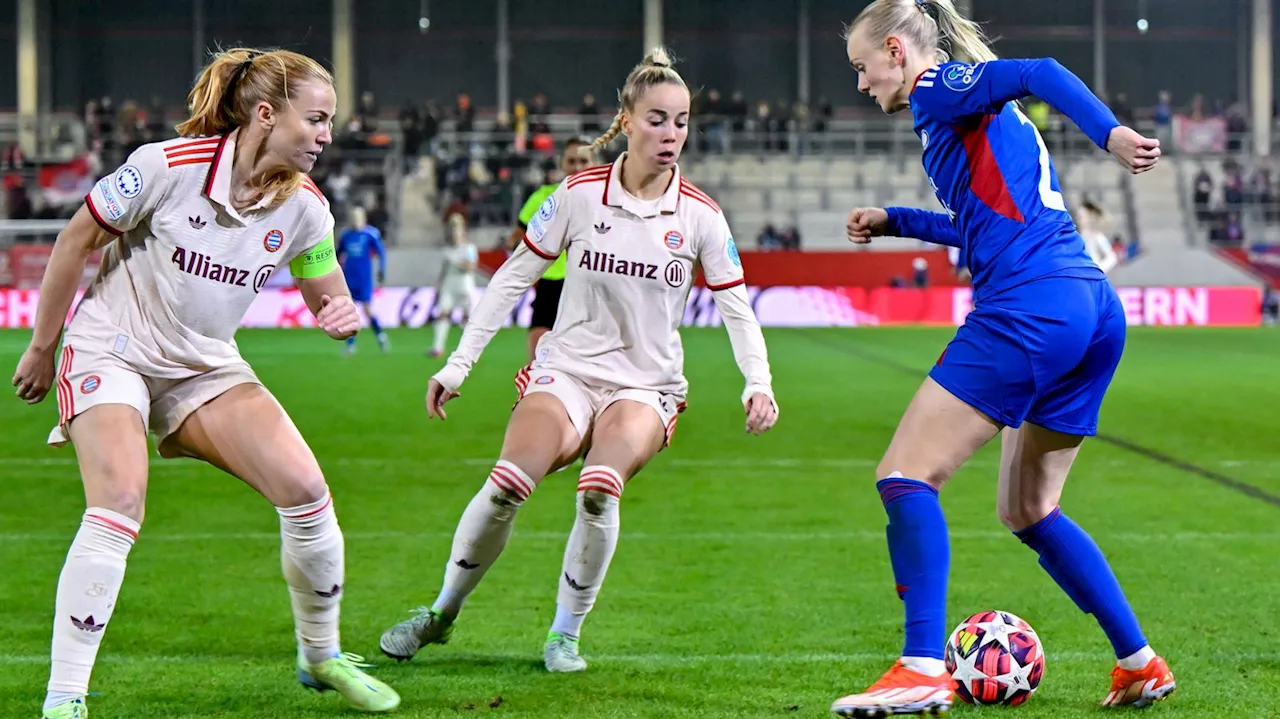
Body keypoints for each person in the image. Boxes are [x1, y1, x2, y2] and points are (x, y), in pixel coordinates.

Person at [10, 47, 400, 718]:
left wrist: (337, 311)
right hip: (114, 349)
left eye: (330, 122)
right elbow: (75, 241)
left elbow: (322, 286)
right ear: (266, 114)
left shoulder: (306, 207)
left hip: (204, 365)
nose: (328, 135)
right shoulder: (165, 167)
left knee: (306, 491)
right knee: (120, 501)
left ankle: (321, 654)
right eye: (317, 119)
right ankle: (65, 696)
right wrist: (44, 348)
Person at [379, 47, 779, 674]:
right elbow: (511, 280)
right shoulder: (577, 195)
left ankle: (563, 635)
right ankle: (441, 613)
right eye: (656, 119)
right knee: (509, 482)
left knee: (599, 490)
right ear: (625, 119)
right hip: (566, 371)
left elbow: (736, 307)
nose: (670, 134)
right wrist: (458, 364)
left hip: (646, 388)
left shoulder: (701, 215)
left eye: (680, 121)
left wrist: (759, 382)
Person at [832, 1, 1173, 715]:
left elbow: (1041, 71)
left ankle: (923, 663)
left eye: (862, 68)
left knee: (904, 473)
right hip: (1091, 308)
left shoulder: (937, 87)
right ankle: (1138, 661)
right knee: (1028, 507)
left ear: (896, 51)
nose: (862, 85)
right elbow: (983, 222)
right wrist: (896, 220)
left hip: (1031, 307)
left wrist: (1110, 135)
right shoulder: (964, 114)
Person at [508, 137, 598, 360]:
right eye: (571, 161)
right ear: (561, 164)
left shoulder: (607, 200)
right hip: (552, 280)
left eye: (583, 161)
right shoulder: (543, 198)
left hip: (592, 281)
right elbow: (517, 237)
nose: (577, 167)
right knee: (539, 349)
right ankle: (535, 387)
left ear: (594, 164)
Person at [337, 205, 389, 353]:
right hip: (349, 278)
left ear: (363, 218)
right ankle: (351, 345)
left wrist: (381, 270)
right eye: (353, 217)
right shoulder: (346, 235)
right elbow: (337, 254)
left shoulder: (370, 234)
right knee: (349, 311)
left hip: (364, 279)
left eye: (358, 217)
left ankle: (380, 335)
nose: (355, 220)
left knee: (367, 311)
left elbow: (381, 253)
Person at [429, 213, 479, 357]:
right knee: (443, 314)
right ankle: (437, 348)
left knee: (467, 318)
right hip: (449, 284)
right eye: (452, 228)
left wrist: (457, 262)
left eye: (456, 227)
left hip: (464, 284)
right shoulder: (447, 249)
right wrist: (438, 285)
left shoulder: (468, 248)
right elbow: (443, 270)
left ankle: (470, 351)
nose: (454, 232)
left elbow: (471, 266)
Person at [1074, 198, 1119, 274]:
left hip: (1092, 278)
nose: (1077, 219)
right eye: (1077, 216)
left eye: (1081, 216)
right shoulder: (1075, 237)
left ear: (1088, 218)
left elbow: (1112, 257)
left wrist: (1098, 269)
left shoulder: (1097, 236)